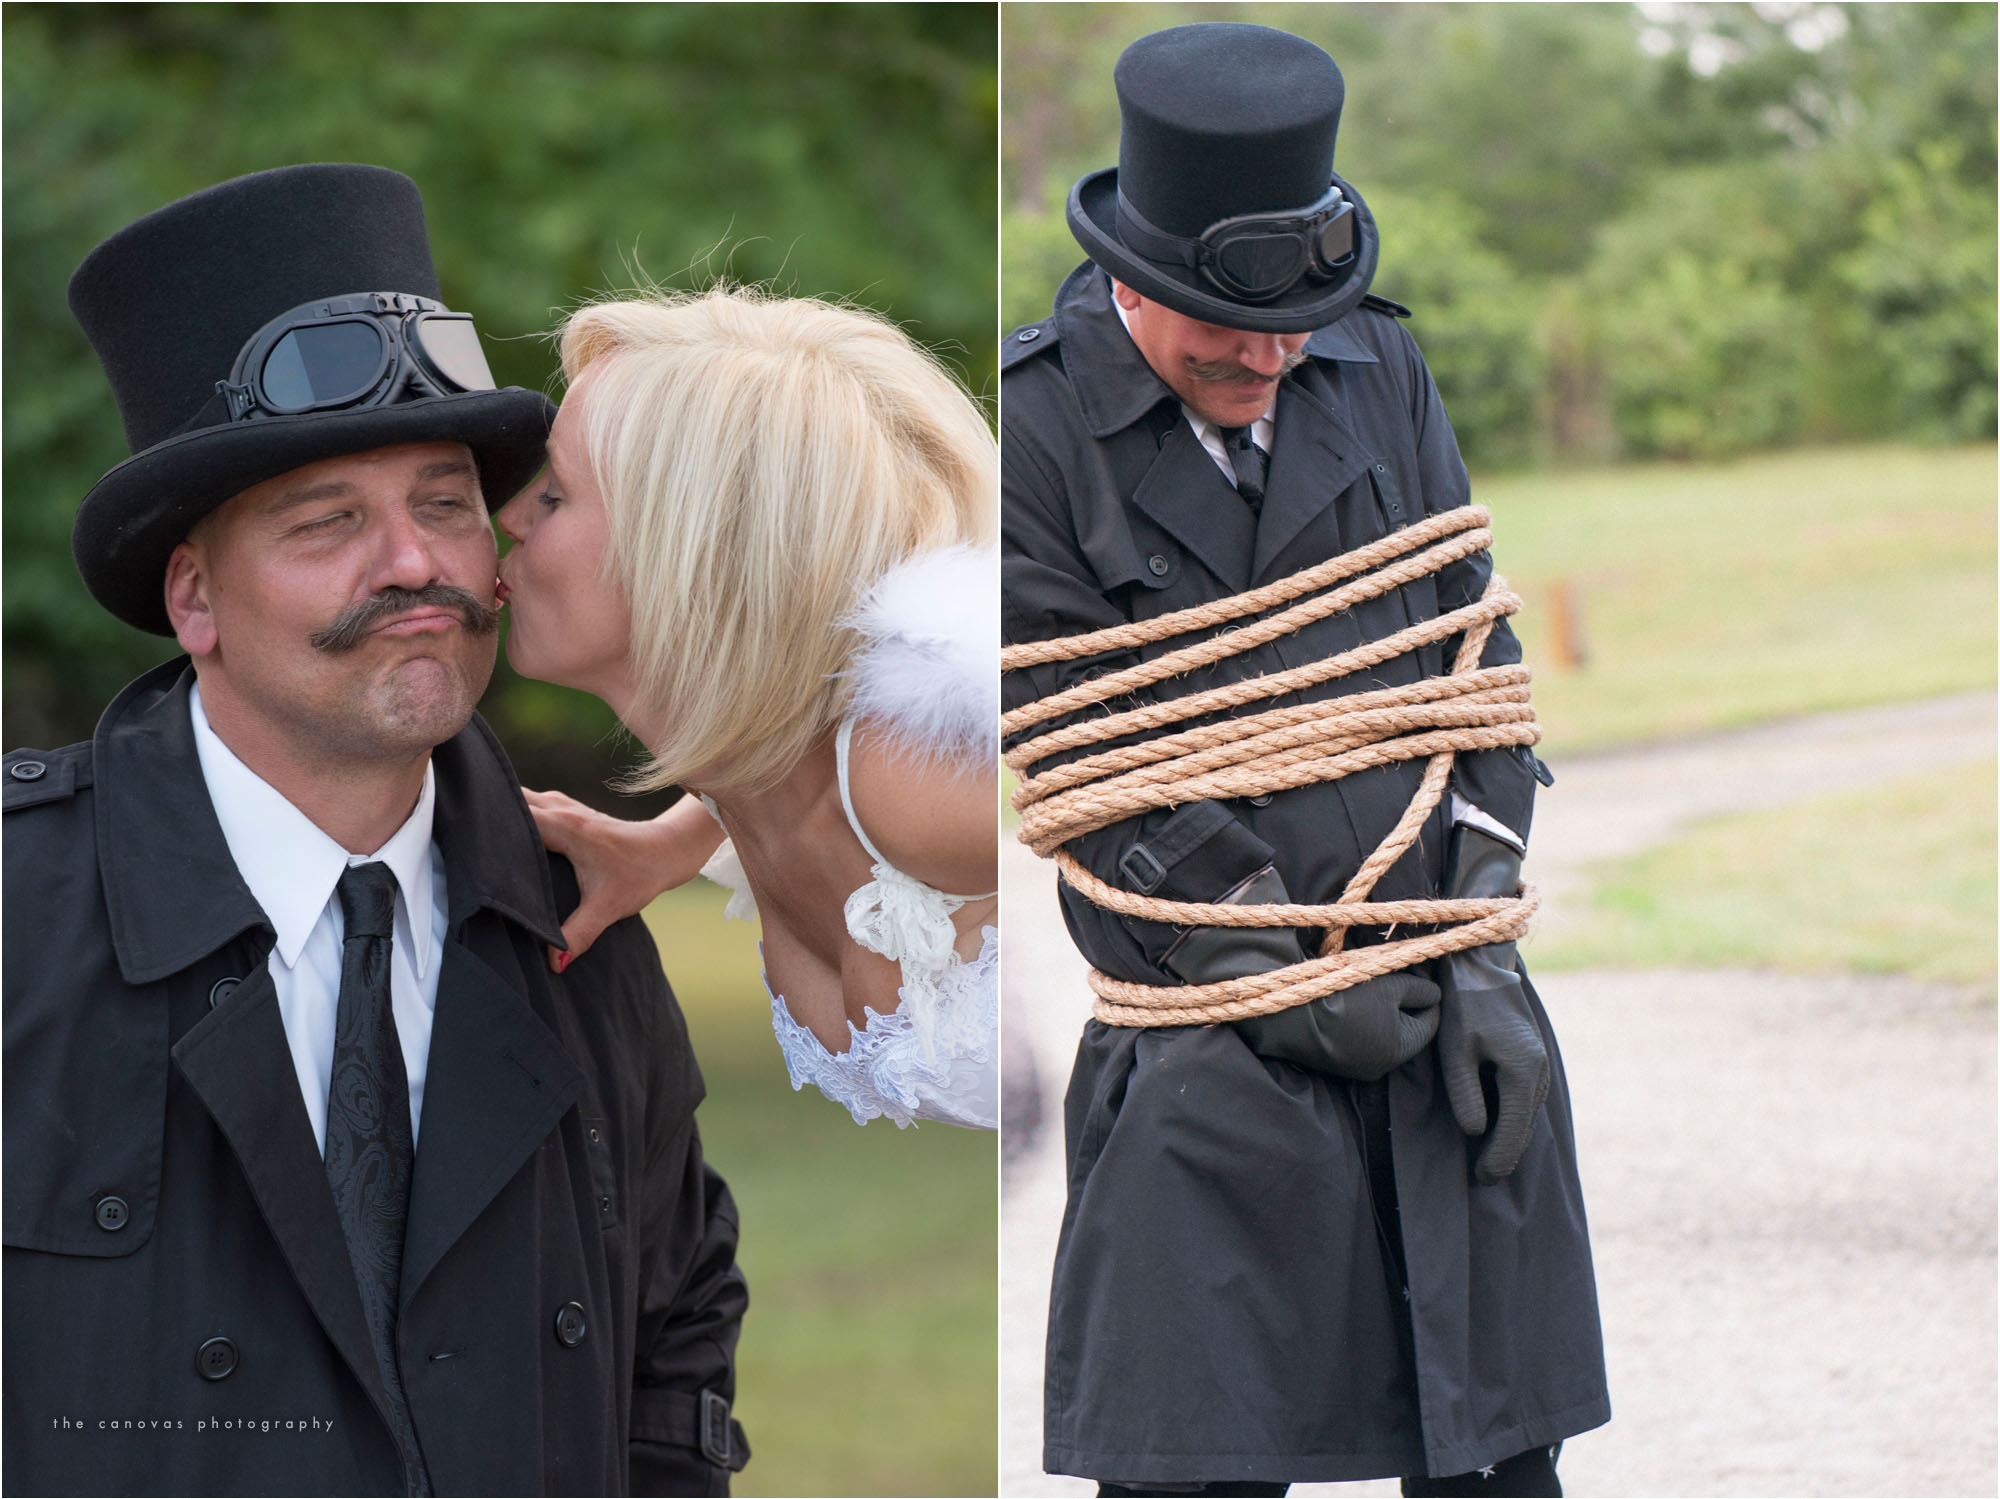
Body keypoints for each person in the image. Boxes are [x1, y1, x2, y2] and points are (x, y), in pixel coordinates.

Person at [2, 164, 748, 1496]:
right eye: (326, 519)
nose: (413, 564)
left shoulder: (582, 920)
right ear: (194, 595)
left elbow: (677, 1326)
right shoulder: (17, 909)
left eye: (446, 502)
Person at [1001, 24, 1608, 1497]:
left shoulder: (1375, 360)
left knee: (1496, 1461)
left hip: (1444, 982)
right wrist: (1290, 968)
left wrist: (1475, 931)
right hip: (1213, 1024)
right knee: (1195, 1456)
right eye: (1234, 327)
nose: (1274, 358)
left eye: (1297, 327)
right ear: (1137, 276)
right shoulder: (1028, 430)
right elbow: (1085, 756)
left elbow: (1476, 655)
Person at [495, 287, 999, 1131]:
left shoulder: (917, 774)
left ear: (690, 555)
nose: (509, 516)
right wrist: (669, 843)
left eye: (554, 495)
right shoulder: (757, 776)